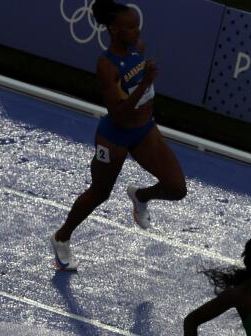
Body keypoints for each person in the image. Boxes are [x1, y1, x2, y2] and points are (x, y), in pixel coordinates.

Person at [49, 0, 187, 271]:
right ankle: (61, 238)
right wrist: (146, 82)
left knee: (176, 188)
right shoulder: (106, 65)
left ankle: (141, 196)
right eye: (131, 27)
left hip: (145, 130)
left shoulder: (139, 48)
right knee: (100, 193)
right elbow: (120, 113)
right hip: (114, 137)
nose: (137, 31)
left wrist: (145, 86)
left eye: (138, 25)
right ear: (113, 29)